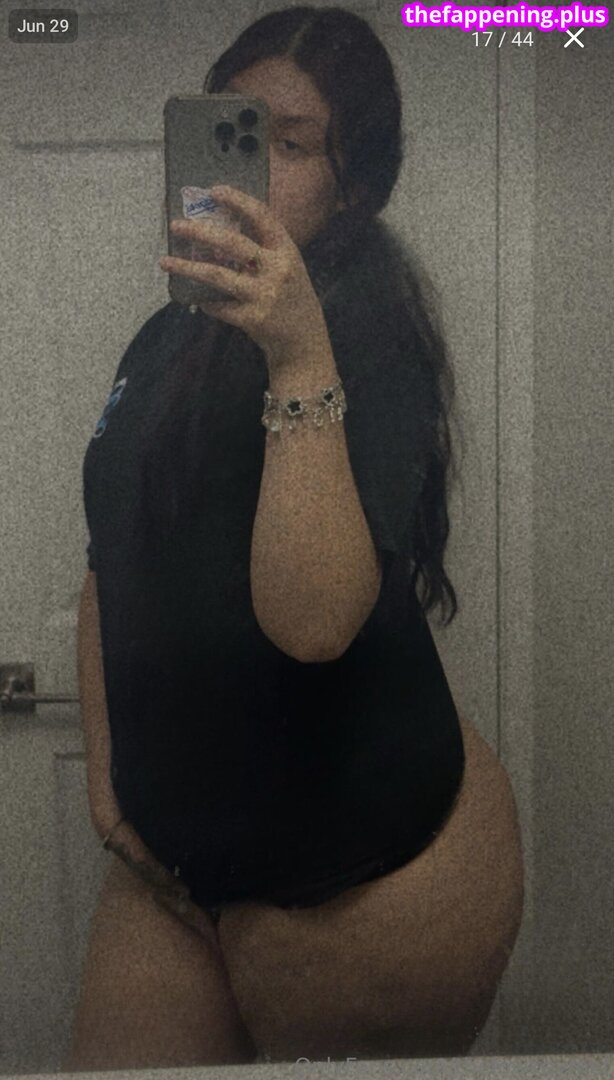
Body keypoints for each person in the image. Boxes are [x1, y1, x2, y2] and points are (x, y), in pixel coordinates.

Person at [63, 5, 524, 1071]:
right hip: (172, 874)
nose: (252, 165)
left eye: (292, 142)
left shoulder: (369, 338)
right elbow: (110, 561)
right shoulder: (162, 337)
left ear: (351, 186)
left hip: (370, 887)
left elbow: (313, 621)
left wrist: (297, 352)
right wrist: (108, 790)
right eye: (233, 126)